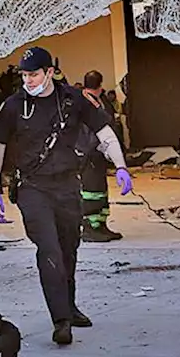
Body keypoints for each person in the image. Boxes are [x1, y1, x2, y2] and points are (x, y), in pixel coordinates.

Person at [0, 47, 133, 346]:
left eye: (34, 74)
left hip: (67, 185)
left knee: (69, 247)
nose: (28, 80)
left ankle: (70, 305)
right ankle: (60, 320)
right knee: (49, 250)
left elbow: (103, 130)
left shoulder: (71, 100)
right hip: (32, 187)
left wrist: (120, 165)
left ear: (50, 72)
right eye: (25, 75)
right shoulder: (14, 105)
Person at [80, 70, 124, 242]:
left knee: (101, 190)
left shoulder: (97, 100)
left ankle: (101, 224)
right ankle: (90, 227)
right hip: (88, 152)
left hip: (98, 153)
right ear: (99, 86)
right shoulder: (85, 103)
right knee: (91, 191)